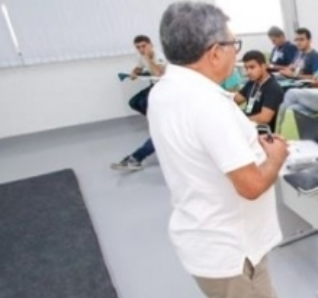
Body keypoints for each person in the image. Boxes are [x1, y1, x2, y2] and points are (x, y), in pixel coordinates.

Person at [148, 3, 289, 298]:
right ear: (214, 52)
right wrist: (274, 159)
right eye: (233, 45)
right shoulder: (209, 105)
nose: (236, 54)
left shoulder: (163, 91)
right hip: (234, 253)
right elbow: (250, 186)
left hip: (204, 237)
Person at [112, 35, 167, 171]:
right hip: (157, 90)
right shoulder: (142, 57)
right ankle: (136, 157)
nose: (142, 50)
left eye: (144, 46)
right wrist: (134, 72)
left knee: (162, 133)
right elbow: (139, 68)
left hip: (163, 90)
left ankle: (136, 158)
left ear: (151, 44)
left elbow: (159, 72)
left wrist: (149, 58)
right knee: (135, 102)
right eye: (138, 47)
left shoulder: (159, 56)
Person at [235, 50, 284, 131]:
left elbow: (264, 118)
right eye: (246, 68)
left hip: (260, 132)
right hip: (248, 126)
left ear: (263, 66)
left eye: (252, 67)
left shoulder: (273, 88)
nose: (249, 72)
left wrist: (240, 120)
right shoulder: (252, 83)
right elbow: (236, 100)